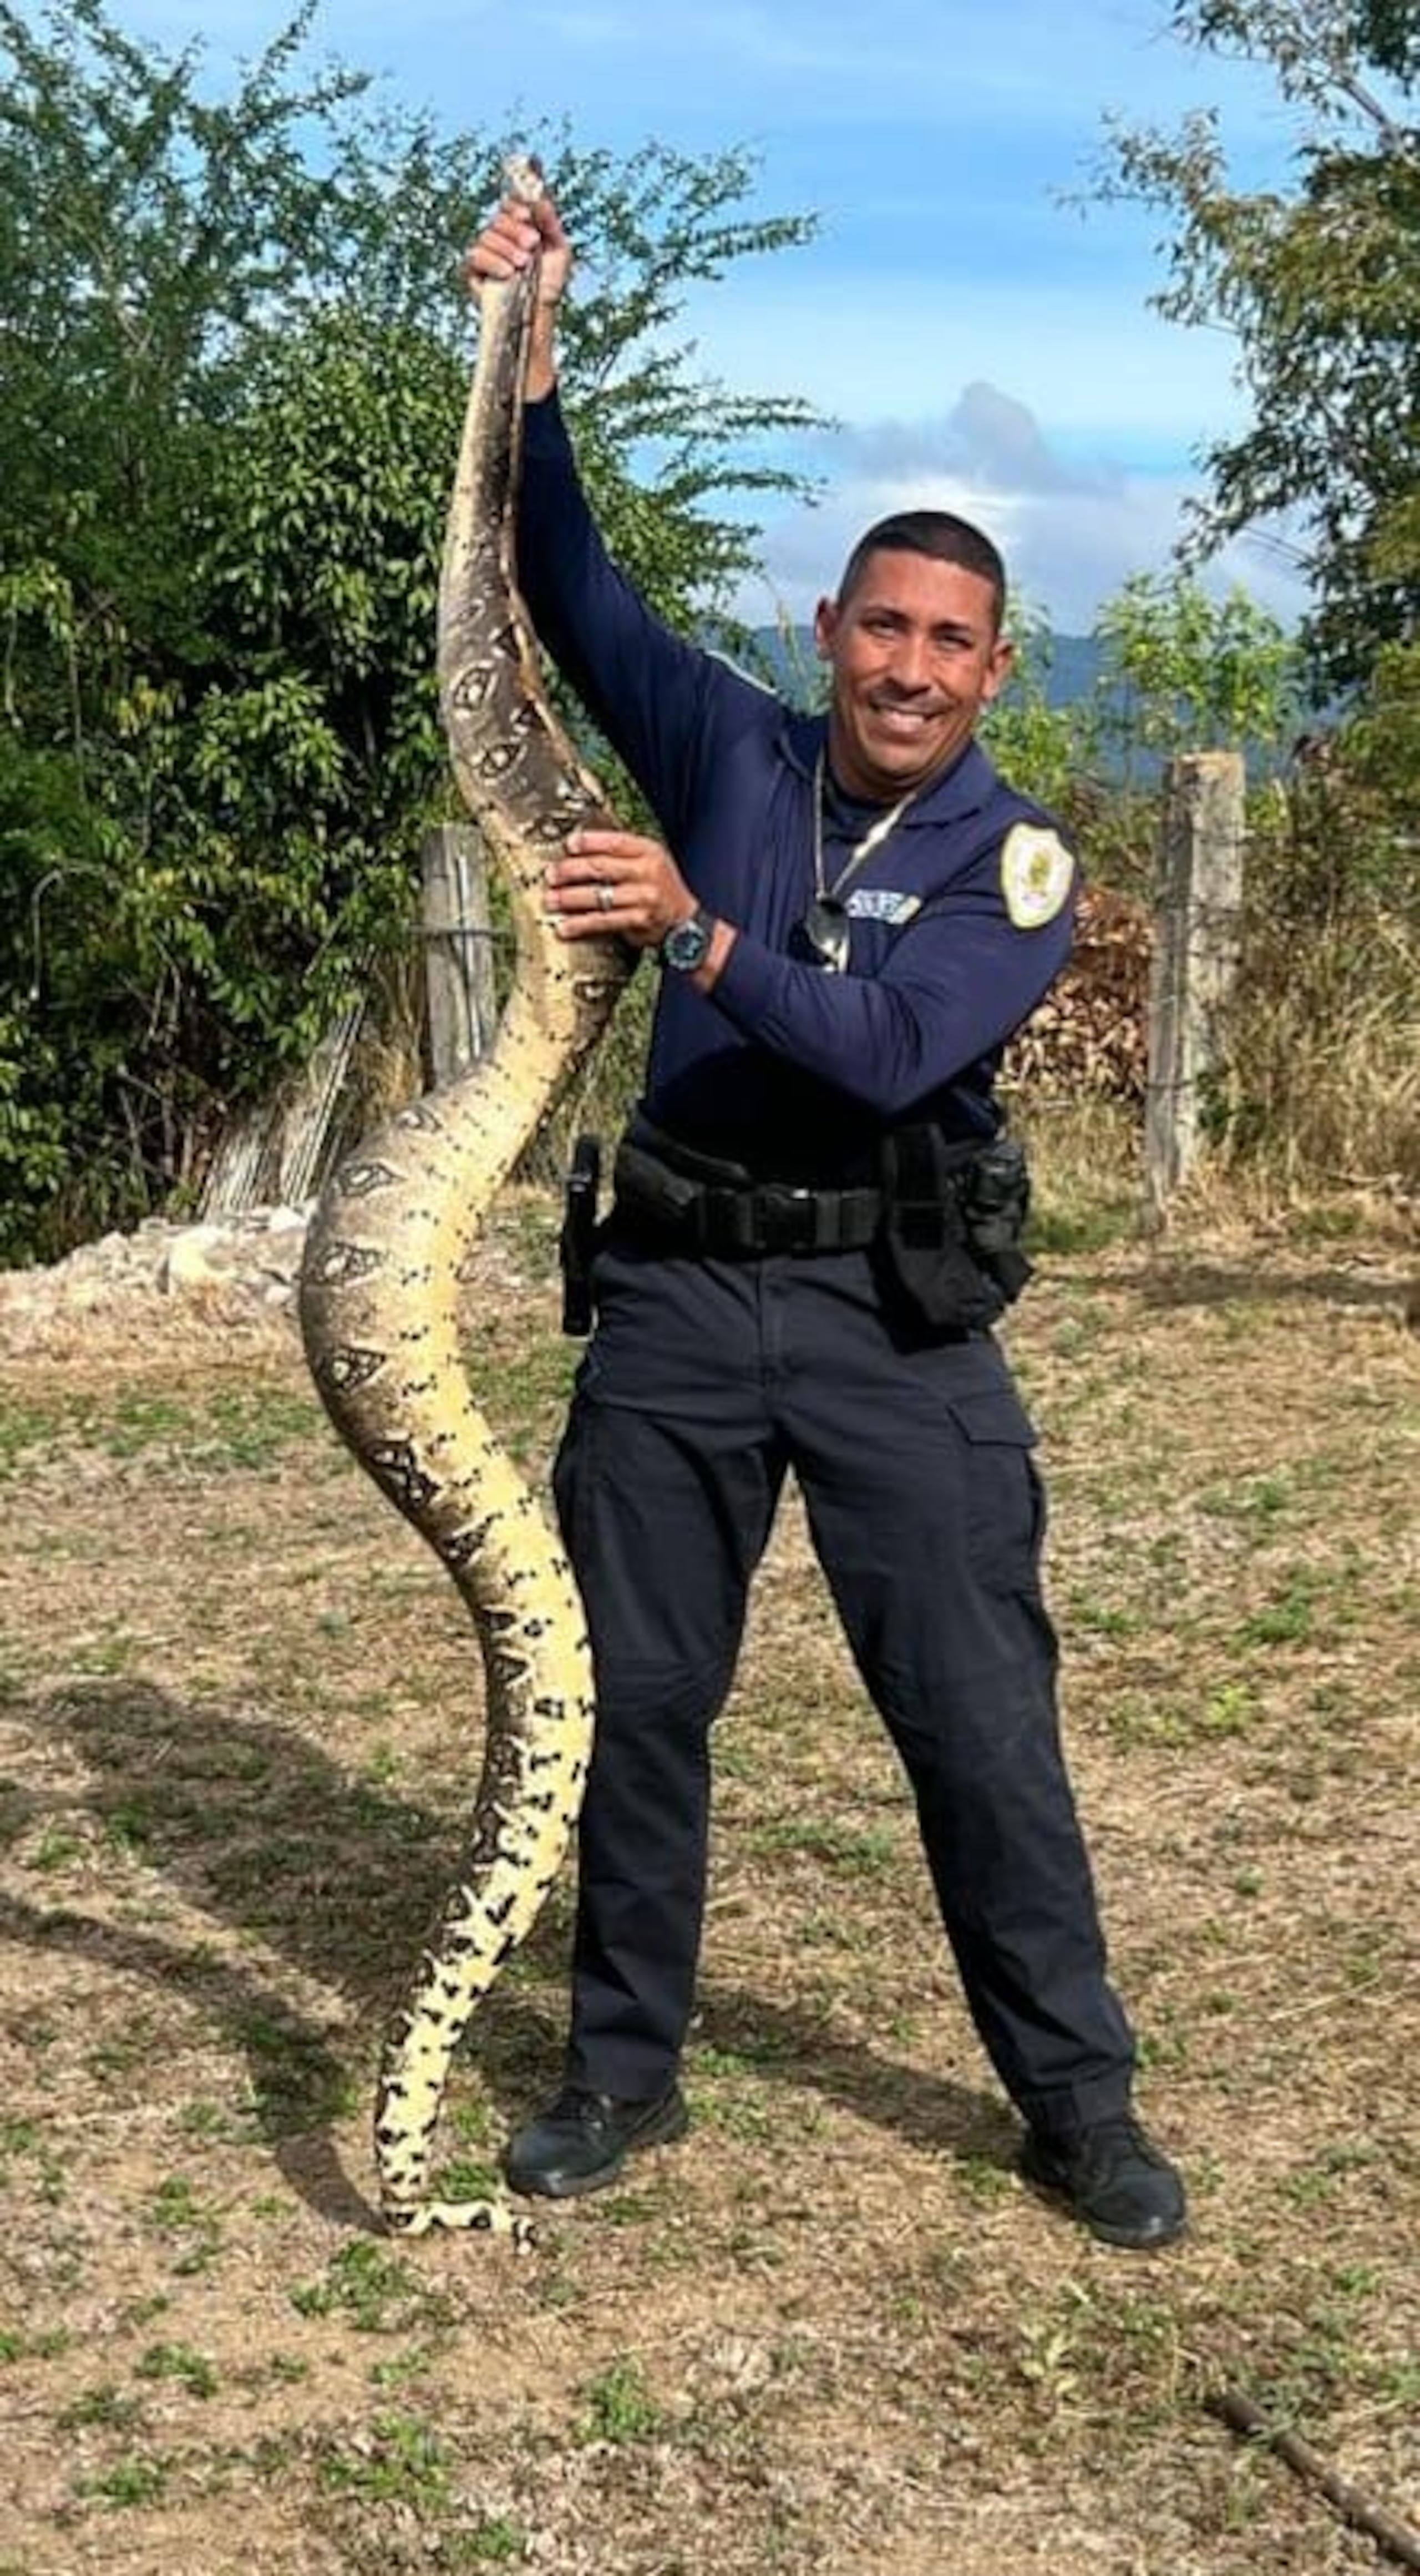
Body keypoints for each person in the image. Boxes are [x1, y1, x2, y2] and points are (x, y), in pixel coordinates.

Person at [464, 183, 1186, 2253]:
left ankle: (1077, 2103)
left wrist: (693, 940)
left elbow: (882, 1053)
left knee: (977, 1720)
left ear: (989, 672)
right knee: (633, 1693)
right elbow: (559, 571)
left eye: (954, 640)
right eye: (885, 624)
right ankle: (618, 2070)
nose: (914, 666)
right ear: (829, 633)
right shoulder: (725, 745)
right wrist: (531, 346)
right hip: (680, 1300)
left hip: (896, 1316)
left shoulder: (1016, 859)